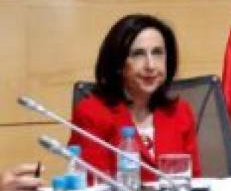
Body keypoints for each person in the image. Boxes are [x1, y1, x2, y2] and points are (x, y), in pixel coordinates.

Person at [70, 14, 201, 182]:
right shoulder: (92, 113)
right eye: (138, 54)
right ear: (118, 64)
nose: (150, 65)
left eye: (157, 53)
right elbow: (93, 185)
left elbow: (195, 182)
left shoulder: (180, 111)